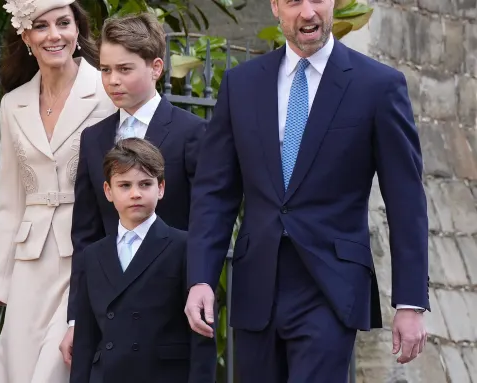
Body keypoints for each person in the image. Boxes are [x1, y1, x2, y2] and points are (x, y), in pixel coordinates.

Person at [183, 0, 430, 380]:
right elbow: (215, 192)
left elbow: (406, 199)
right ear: (276, 7)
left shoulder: (378, 86)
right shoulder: (241, 85)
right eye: (294, 1)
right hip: (256, 287)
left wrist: (410, 301)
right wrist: (201, 276)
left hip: (329, 288)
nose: (308, 12)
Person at [0, 0, 116, 381]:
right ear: (26, 37)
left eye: (64, 23)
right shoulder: (12, 104)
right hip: (28, 265)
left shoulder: (106, 92)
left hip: (85, 255)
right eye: (41, 26)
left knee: (55, 371)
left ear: (78, 29)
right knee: (16, 372)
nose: (54, 35)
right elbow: (9, 205)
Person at [61, 12, 211, 368]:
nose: (112, 80)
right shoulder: (94, 138)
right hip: (108, 311)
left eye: (124, 69)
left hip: (171, 306)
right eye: (106, 70)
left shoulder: (193, 133)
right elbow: (85, 235)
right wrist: (74, 319)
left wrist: (199, 286)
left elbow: (206, 222)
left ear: (156, 67)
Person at [70, 138, 215, 383]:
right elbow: (85, 340)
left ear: (161, 188)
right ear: (108, 191)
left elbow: (201, 337)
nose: (135, 193)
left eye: (145, 184)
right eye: (124, 185)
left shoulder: (186, 247)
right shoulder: (92, 255)